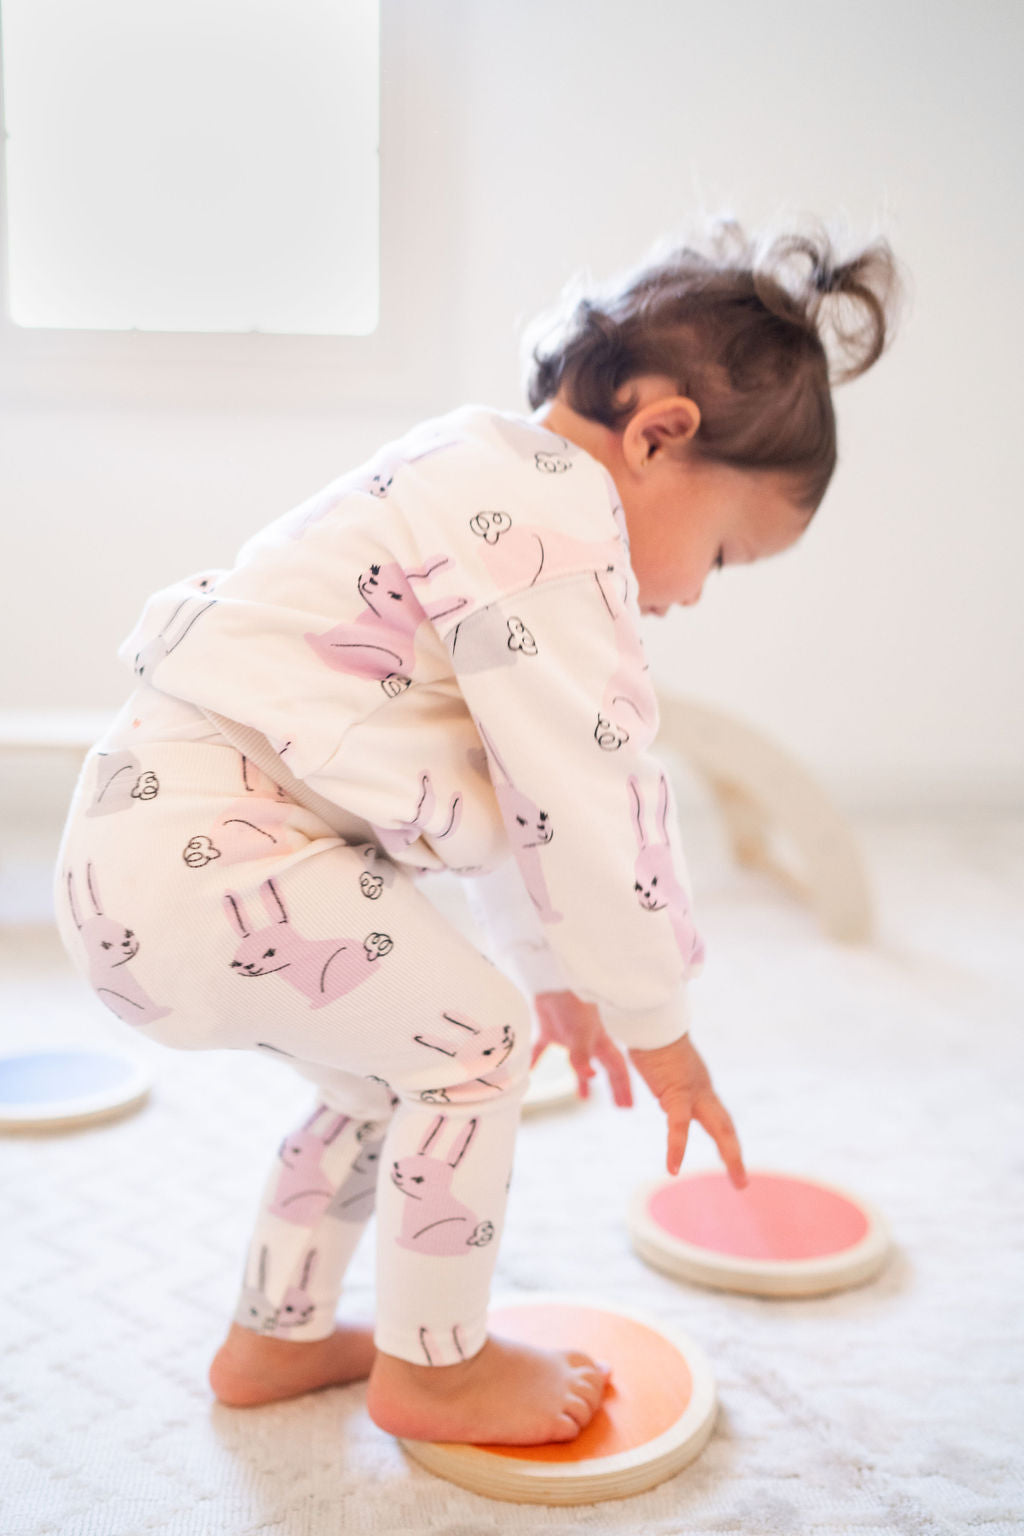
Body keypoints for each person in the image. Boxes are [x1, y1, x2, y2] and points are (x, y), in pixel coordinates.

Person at [54, 219, 899, 1447]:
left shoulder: (468, 473)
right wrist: (656, 1025)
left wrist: (556, 974)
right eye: (722, 551)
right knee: (473, 1046)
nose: (689, 593)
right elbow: (588, 793)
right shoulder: (555, 533)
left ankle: (276, 1334)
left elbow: (509, 792)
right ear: (658, 437)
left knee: (379, 1076)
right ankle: (437, 1373)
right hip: (216, 853)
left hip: (132, 856)